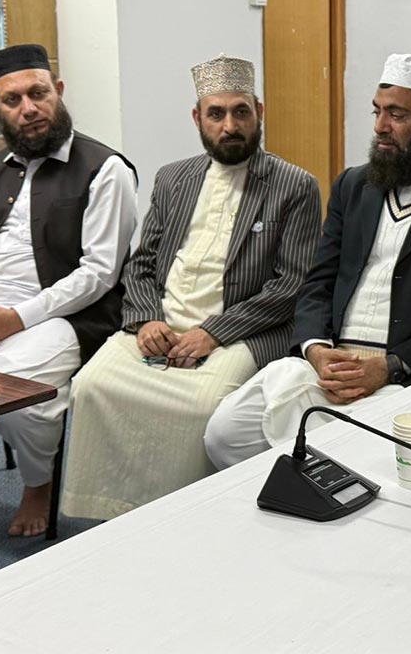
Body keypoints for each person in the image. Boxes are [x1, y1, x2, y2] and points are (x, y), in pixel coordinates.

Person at [204, 53, 411, 467]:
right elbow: (318, 281)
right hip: (327, 365)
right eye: (377, 112)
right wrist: (316, 349)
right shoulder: (355, 185)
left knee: (347, 457)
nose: (380, 127)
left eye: (397, 114)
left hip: (407, 376)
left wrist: (388, 366)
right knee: (224, 434)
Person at [60, 55, 321, 520]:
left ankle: (188, 518)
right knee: (90, 386)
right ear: (197, 118)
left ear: (259, 112)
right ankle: (109, 515)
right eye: (216, 114)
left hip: (239, 332)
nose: (230, 125)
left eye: (241, 112)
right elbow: (140, 263)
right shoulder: (173, 177)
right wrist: (144, 320)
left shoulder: (294, 185)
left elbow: (291, 285)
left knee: (203, 406)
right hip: (160, 323)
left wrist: (213, 332)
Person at [0, 44, 139, 537]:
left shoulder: (107, 169)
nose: (28, 108)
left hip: (57, 315)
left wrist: (13, 319)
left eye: (38, 94)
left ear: (58, 93)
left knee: (21, 393)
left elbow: (99, 273)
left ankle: (36, 483)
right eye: (13, 99)